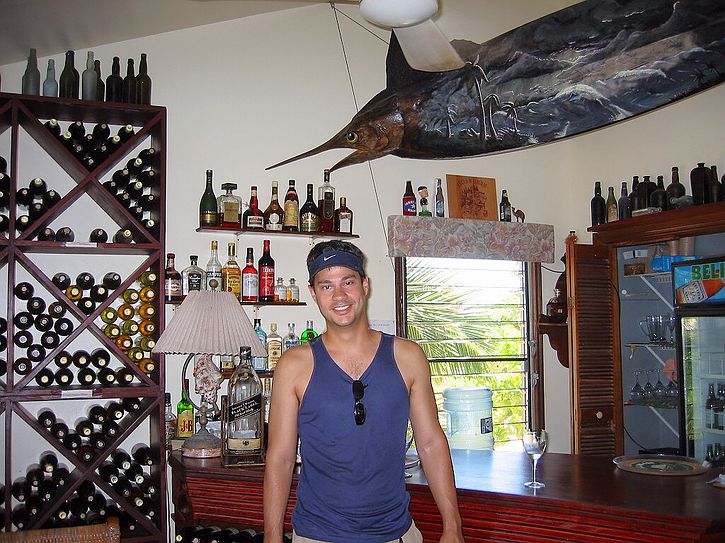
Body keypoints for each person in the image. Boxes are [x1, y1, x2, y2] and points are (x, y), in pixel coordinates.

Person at [263, 240, 464, 543]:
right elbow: (280, 457)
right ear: (313, 293)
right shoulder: (294, 365)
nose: (339, 296)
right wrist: (272, 535)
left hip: (396, 533)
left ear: (365, 285)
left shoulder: (407, 356)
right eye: (326, 286)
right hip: (317, 535)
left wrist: (453, 526)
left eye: (348, 282)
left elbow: (431, 444)